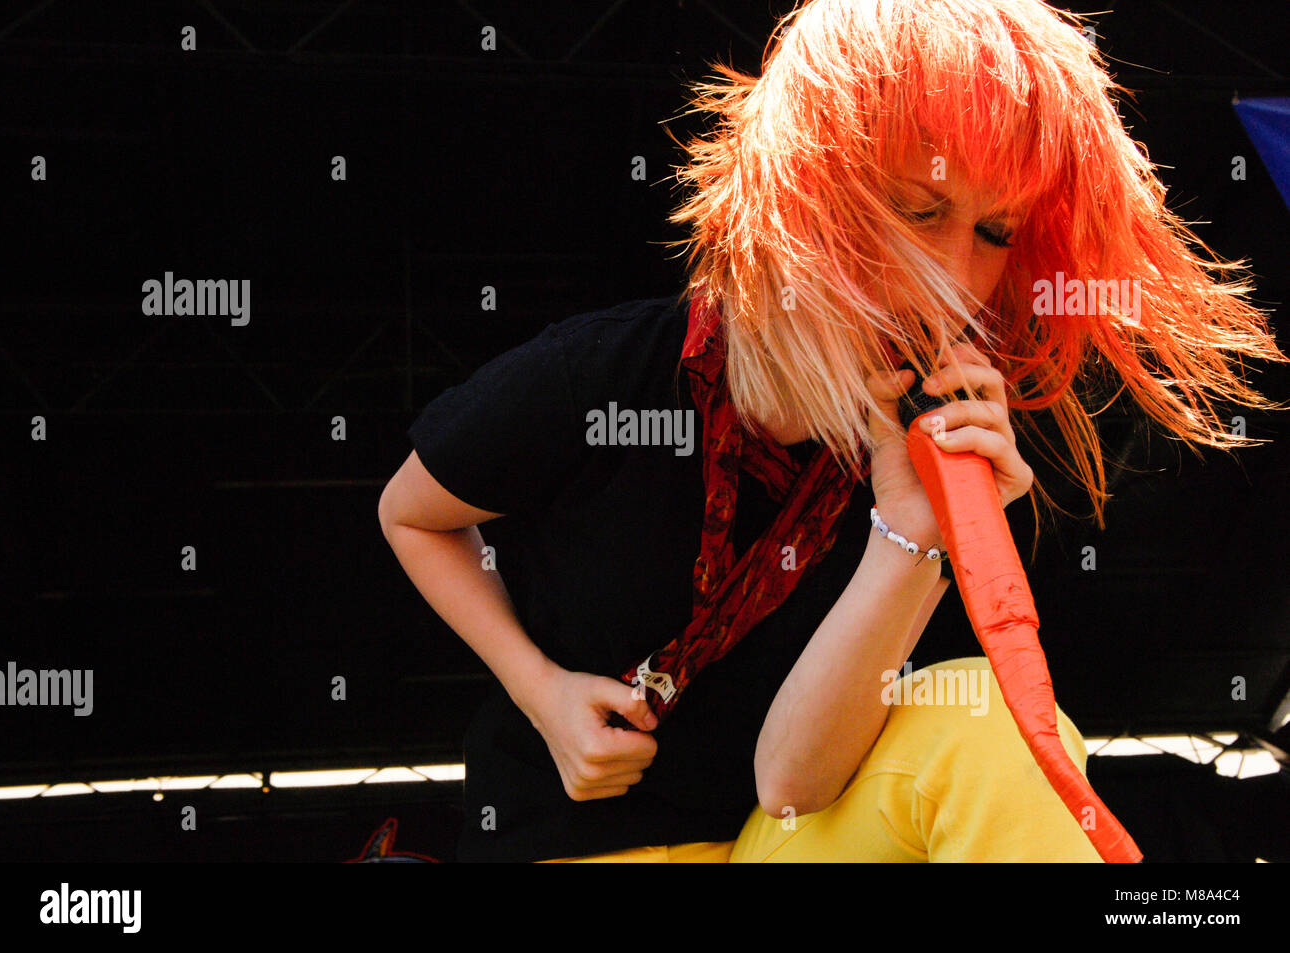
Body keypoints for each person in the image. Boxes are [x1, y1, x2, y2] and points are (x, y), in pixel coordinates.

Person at [378, 0, 1285, 862]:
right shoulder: (605, 371)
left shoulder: (933, 436)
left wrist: (917, 530)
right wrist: (541, 691)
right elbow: (412, 512)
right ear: (811, 187)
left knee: (987, 720)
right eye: (923, 210)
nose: (955, 275)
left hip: (776, 839)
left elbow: (793, 779)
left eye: (994, 231)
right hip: (568, 843)